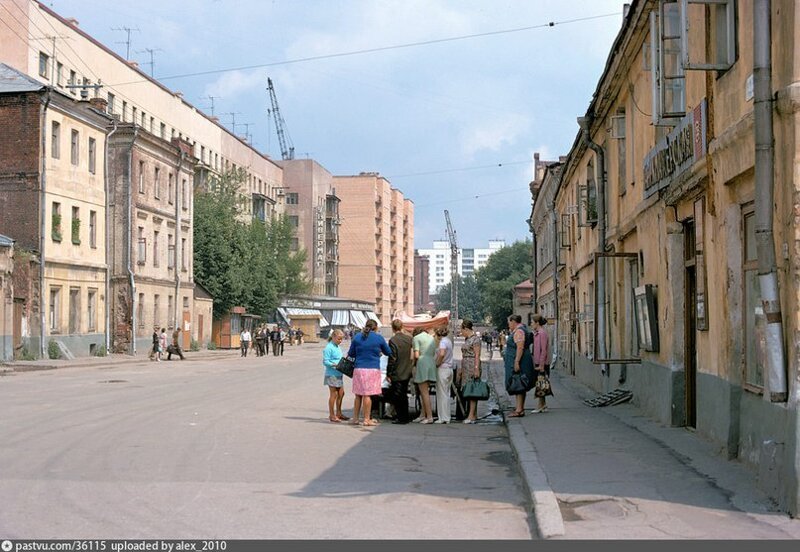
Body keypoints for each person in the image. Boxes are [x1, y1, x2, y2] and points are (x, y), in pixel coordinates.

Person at [346, 319, 391, 426]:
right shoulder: (379, 338)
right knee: (367, 395)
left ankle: (355, 419)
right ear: (376, 328)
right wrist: (378, 352)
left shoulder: (357, 337)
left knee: (358, 395)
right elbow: (388, 352)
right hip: (372, 369)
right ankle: (367, 419)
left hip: (358, 369)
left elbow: (351, 354)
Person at [504, 314, 535, 417]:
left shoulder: (519, 331)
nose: (508, 325)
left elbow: (520, 347)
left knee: (519, 382)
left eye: (509, 322)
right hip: (519, 360)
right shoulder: (520, 330)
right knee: (519, 383)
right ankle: (519, 408)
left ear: (513, 321)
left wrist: (516, 361)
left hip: (520, 361)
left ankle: (519, 409)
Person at [386, 319, 414, 424]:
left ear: (393, 328)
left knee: (398, 395)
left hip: (397, 371)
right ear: (402, 327)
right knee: (404, 394)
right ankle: (405, 416)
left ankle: (401, 417)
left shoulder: (393, 340)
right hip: (407, 369)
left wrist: (389, 373)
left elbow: (392, 358)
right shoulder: (409, 339)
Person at [459, 319, 483, 424]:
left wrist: (476, 368)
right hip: (466, 365)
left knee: (472, 390)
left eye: (462, 330)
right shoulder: (467, 339)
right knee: (469, 389)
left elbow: (477, 355)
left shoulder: (475, 340)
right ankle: (473, 414)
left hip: (472, 365)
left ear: (466, 329)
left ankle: (471, 415)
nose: (461, 332)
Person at [412, 326, 437, 424]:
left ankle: (429, 416)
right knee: (426, 391)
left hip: (422, 363)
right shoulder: (431, 338)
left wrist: (413, 364)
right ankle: (422, 414)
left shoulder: (416, 338)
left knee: (424, 393)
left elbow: (416, 355)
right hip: (431, 362)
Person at [323, 329, 349, 423]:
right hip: (332, 374)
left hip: (339, 373)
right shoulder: (329, 347)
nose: (340, 341)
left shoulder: (337, 347)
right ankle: (332, 415)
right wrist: (334, 364)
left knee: (341, 393)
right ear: (333, 337)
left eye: (341, 339)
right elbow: (325, 361)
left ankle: (339, 413)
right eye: (338, 339)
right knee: (333, 395)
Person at [434, 326, 454, 424]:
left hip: (442, 368)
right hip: (449, 369)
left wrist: (437, 363)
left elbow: (441, 354)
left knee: (441, 394)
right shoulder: (449, 341)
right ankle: (447, 416)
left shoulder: (442, 342)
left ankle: (442, 417)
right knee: (447, 393)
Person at [531, 314, 551, 413]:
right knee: (541, 384)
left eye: (532, 322)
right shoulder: (537, 333)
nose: (531, 324)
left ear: (537, 323)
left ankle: (540, 406)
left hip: (542, 363)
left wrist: (542, 365)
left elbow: (544, 350)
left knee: (541, 384)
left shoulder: (542, 333)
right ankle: (543, 405)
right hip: (538, 362)